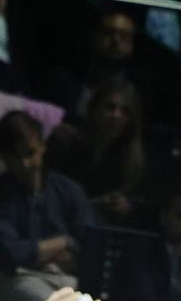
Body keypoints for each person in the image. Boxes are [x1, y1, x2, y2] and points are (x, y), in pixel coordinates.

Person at [0, 111, 94, 301]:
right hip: (20, 279)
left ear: (43, 147)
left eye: (30, 153)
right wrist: (63, 242)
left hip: (69, 279)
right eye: (16, 157)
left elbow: (90, 245)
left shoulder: (68, 190)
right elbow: (9, 254)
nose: (25, 164)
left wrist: (38, 252)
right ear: (4, 156)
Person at [44, 78, 147, 225]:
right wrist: (91, 205)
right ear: (94, 109)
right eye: (110, 108)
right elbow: (45, 196)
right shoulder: (64, 140)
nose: (116, 116)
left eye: (124, 111)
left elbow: (132, 201)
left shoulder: (130, 157)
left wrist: (125, 206)